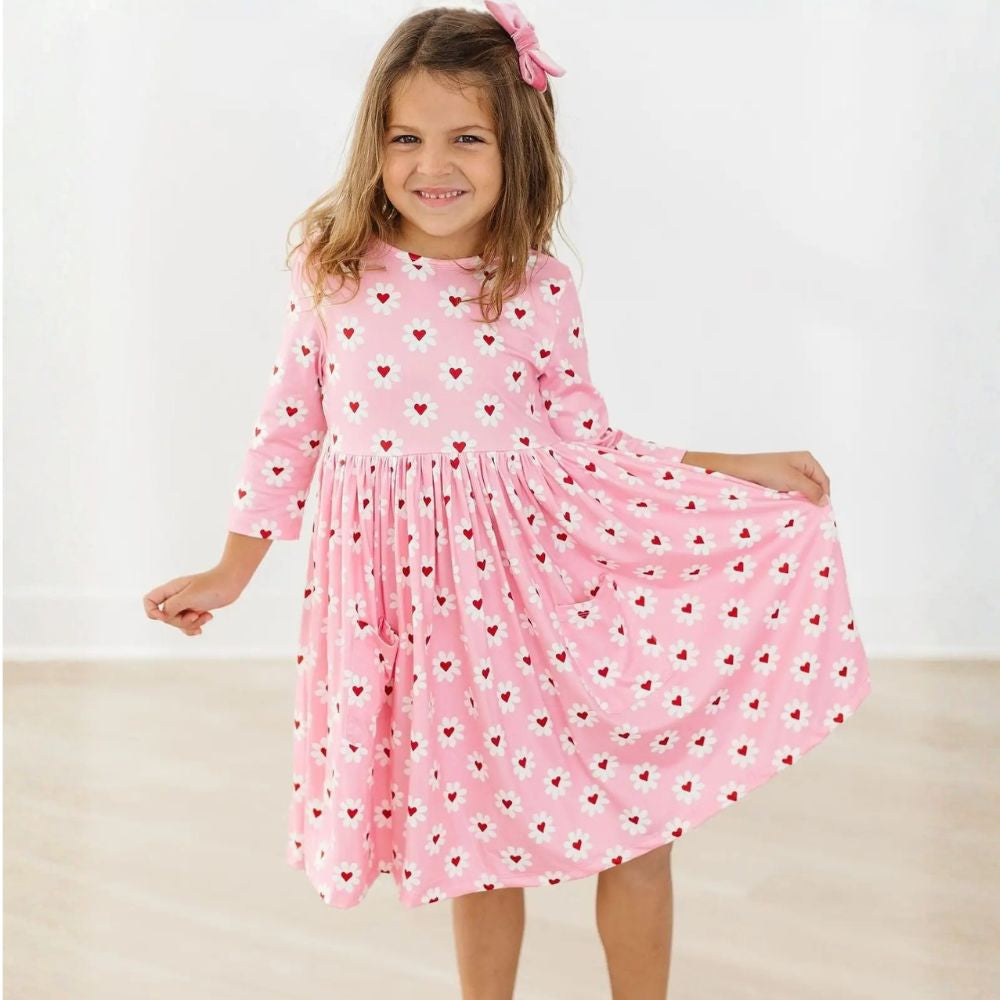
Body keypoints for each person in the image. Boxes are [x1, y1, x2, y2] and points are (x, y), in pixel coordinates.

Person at [144, 2, 873, 995]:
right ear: (374, 143)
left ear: (514, 148)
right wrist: (232, 571)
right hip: (411, 619)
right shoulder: (334, 275)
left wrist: (737, 467)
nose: (431, 164)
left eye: (466, 138)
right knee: (473, 839)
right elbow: (289, 432)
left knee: (635, 823)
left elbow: (586, 444)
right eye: (405, 136)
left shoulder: (536, 287)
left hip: (543, 595)